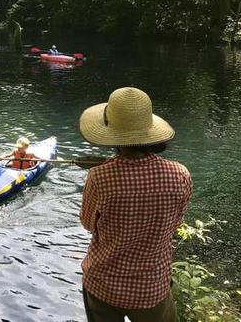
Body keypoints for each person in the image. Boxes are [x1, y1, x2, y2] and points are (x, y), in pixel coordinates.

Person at [78, 87, 192, 322]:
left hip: (104, 285)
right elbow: (176, 222)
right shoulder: (180, 174)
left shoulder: (99, 177)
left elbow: (89, 224)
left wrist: (105, 169)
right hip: (151, 287)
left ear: (112, 133)